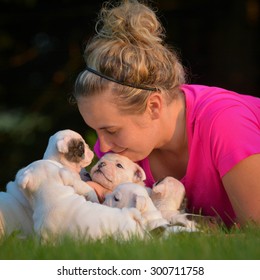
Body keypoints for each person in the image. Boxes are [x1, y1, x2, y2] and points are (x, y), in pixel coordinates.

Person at [72, 0, 260, 228]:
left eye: (111, 130)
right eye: (96, 130)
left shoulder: (225, 123)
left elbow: (255, 229)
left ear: (153, 106)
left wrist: (177, 226)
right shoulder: (122, 152)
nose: (102, 147)